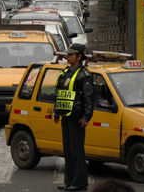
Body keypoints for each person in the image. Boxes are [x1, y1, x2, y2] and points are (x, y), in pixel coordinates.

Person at [54, 43, 94, 191]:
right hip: (66, 116)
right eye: (67, 54)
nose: (67, 56)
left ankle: (79, 183)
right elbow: (59, 94)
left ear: (79, 57)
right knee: (68, 150)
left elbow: (89, 98)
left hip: (77, 118)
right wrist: (57, 112)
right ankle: (69, 181)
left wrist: (86, 117)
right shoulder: (66, 72)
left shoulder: (84, 75)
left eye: (71, 54)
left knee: (77, 150)